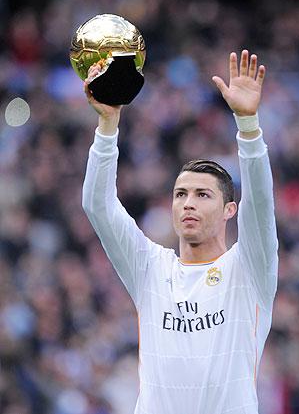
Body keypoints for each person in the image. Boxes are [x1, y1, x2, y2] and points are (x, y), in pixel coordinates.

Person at [82, 49, 278, 414]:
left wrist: (248, 126)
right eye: (180, 195)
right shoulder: (150, 269)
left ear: (229, 210)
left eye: (203, 195)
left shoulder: (250, 269)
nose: (188, 203)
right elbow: (98, 206)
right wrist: (108, 125)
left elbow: (262, 208)